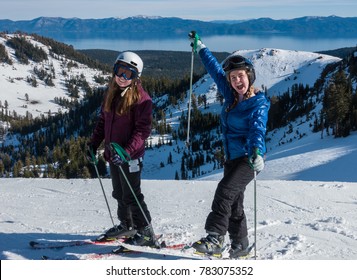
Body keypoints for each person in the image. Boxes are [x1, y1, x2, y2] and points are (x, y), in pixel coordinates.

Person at [188, 31, 270, 258]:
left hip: (247, 159)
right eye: (233, 77)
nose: (237, 81)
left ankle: (215, 238)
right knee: (234, 206)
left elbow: (257, 130)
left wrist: (257, 152)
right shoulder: (232, 96)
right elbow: (215, 71)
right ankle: (241, 246)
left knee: (224, 192)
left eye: (240, 76)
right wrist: (201, 47)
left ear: (249, 76)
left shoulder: (258, 104)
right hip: (231, 158)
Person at [87, 51, 156, 247]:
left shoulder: (141, 99)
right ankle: (127, 224)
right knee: (119, 193)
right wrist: (94, 143)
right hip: (114, 155)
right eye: (119, 71)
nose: (122, 77)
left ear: (136, 77)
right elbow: (103, 122)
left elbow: (143, 131)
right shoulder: (112, 93)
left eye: (128, 74)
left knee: (132, 195)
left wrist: (126, 151)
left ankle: (146, 232)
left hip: (130, 157)